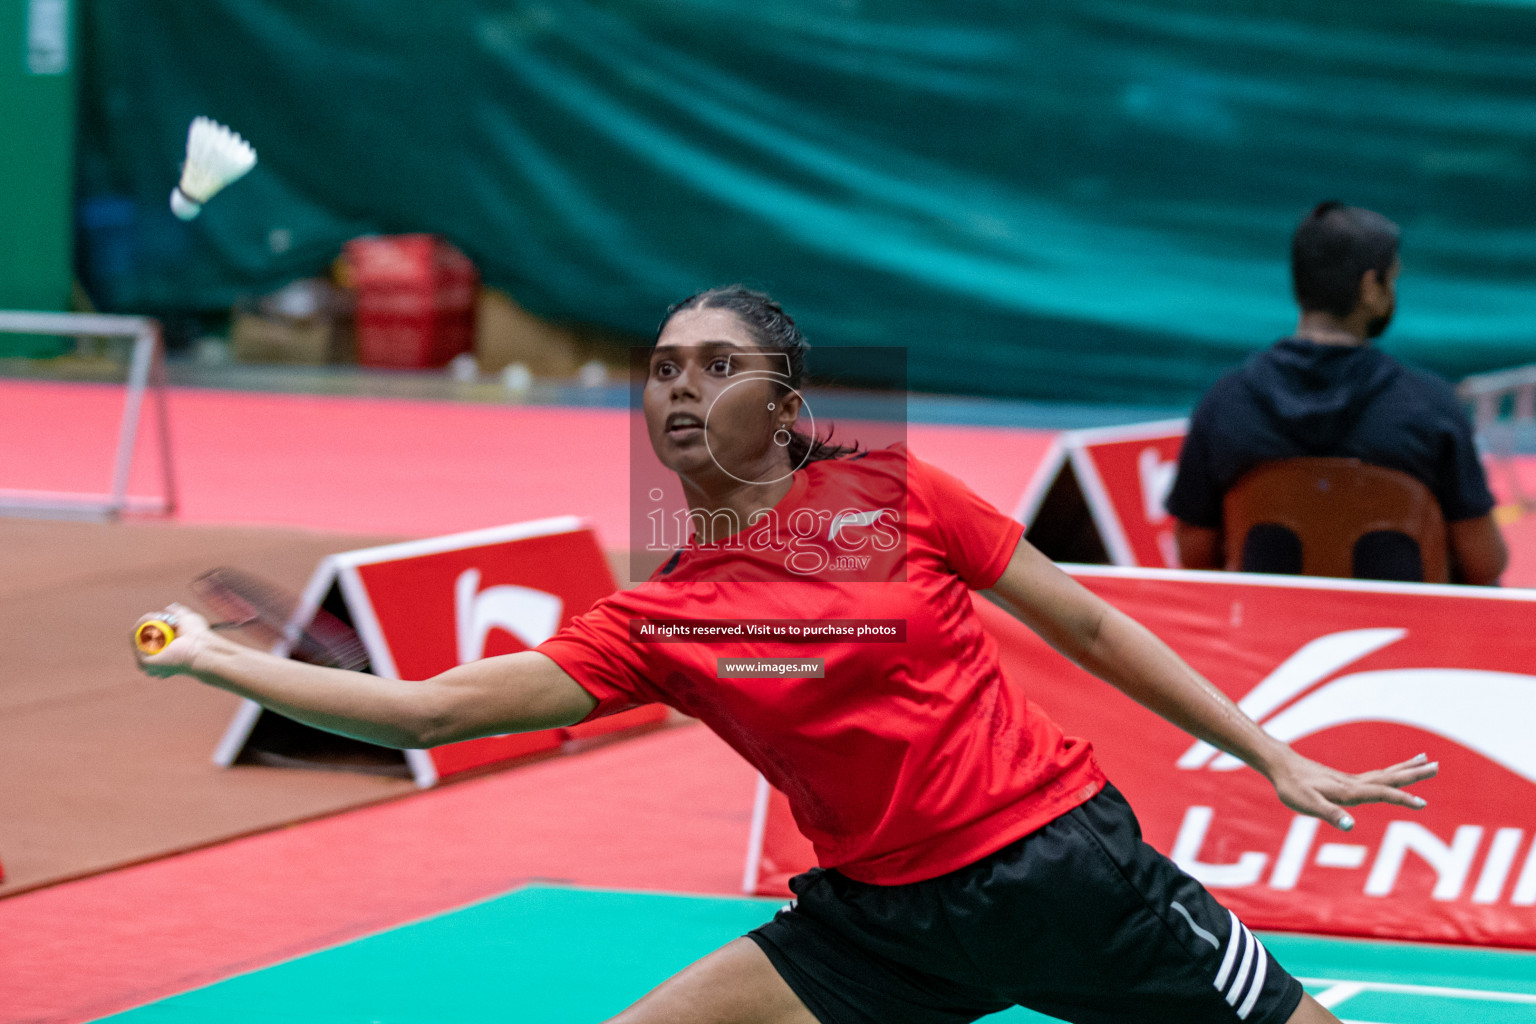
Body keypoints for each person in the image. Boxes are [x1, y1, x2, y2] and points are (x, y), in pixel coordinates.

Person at [136, 286, 1437, 1024]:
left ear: (789, 407)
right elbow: (428, 714)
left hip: (1063, 874)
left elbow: (1085, 620)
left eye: (718, 365)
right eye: (661, 369)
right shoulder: (657, 619)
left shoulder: (895, 495)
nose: (681, 388)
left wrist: (1266, 751)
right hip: (883, 923)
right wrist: (211, 660)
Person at [1168, 201, 1508, 585]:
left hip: (1267, 636)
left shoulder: (1224, 402)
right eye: (1391, 280)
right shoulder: (1432, 406)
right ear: (1369, 288)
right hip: (1405, 636)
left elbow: (1193, 552)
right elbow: (1485, 563)